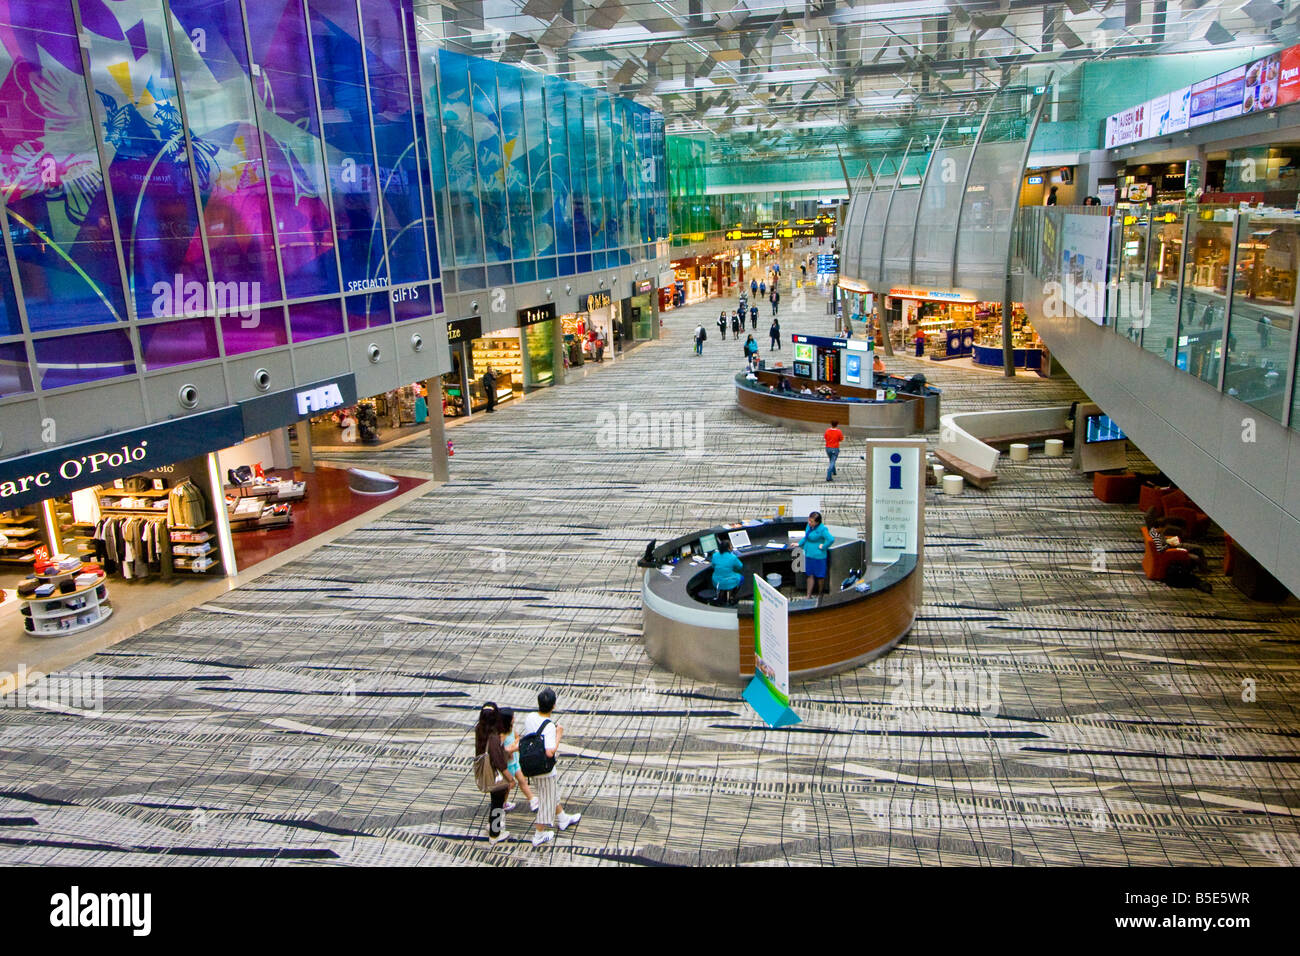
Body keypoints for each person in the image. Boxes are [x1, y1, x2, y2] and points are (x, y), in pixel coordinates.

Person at [523, 688, 580, 847]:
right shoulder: (549, 727)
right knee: (546, 802)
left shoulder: (530, 717)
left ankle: (563, 819)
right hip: (545, 769)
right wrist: (558, 734)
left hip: (531, 765)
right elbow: (550, 752)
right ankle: (539, 835)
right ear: (553, 706)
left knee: (550, 794)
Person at [474, 702, 513, 845]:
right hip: (495, 773)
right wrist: (510, 778)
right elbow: (499, 762)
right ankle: (494, 834)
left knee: (494, 800)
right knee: (498, 803)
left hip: (485, 771)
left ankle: (491, 824)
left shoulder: (480, 730)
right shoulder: (494, 738)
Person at [500, 706, 536, 814]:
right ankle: (502, 803)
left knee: (522, 780)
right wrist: (511, 749)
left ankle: (532, 799)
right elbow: (500, 749)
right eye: (512, 717)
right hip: (508, 764)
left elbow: (517, 737)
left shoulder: (511, 730)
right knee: (507, 787)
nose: (514, 719)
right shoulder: (502, 734)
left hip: (515, 761)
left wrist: (514, 744)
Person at [798, 511, 834, 599]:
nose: (809, 523)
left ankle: (820, 594)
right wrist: (799, 544)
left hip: (819, 556)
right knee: (809, 574)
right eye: (809, 520)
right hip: (809, 554)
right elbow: (806, 537)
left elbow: (831, 539)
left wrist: (823, 546)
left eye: (812, 521)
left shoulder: (822, 529)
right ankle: (808, 595)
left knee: (820, 576)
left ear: (817, 522)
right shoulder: (808, 526)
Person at [709, 538, 744, 603]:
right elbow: (740, 566)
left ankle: (722, 595)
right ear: (728, 548)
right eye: (731, 546)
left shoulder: (715, 555)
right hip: (729, 581)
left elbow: (713, 566)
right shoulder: (733, 557)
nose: (732, 547)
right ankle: (732, 596)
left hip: (717, 581)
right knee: (741, 578)